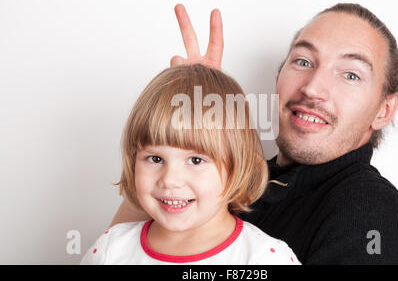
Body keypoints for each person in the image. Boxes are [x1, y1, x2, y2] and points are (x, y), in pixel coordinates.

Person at [111, 3, 398, 264]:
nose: (312, 88)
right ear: (278, 75)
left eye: (351, 74)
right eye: (303, 61)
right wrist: (188, 132)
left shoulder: (371, 212)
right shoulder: (245, 181)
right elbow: (123, 247)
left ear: (384, 110)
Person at [81, 64, 300, 264]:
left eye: (196, 160)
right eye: (155, 159)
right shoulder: (110, 250)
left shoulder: (263, 258)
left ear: (236, 166)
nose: (170, 180)